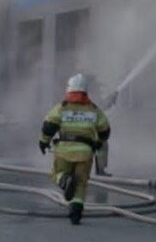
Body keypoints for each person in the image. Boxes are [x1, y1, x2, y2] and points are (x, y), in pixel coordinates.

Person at [39, 73, 111, 225]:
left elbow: (49, 126)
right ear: (85, 91)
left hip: (64, 151)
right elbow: (105, 130)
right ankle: (75, 213)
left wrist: (43, 142)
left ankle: (64, 179)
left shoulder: (61, 107)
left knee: (56, 174)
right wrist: (98, 142)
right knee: (81, 183)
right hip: (85, 153)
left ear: (69, 90)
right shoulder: (93, 109)